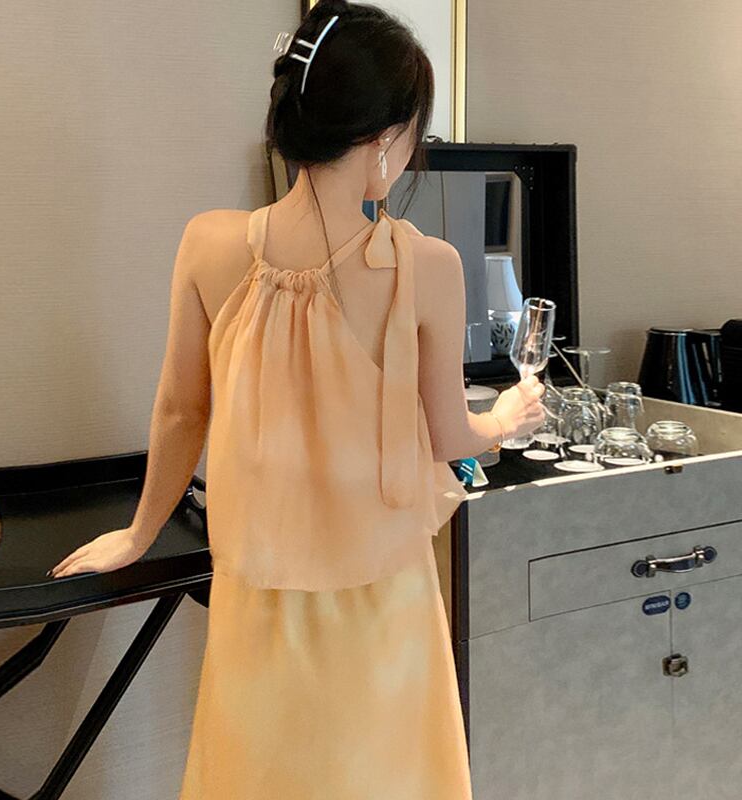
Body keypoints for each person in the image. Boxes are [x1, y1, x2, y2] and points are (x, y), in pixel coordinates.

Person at [49, 1, 545, 796]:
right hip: (383, 598)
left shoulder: (208, 243)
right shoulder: (429, 266)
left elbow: (181, 411)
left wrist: (139, 534)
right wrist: (506, 418)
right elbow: (451, 438)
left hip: (257, 600)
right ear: (384, 139)